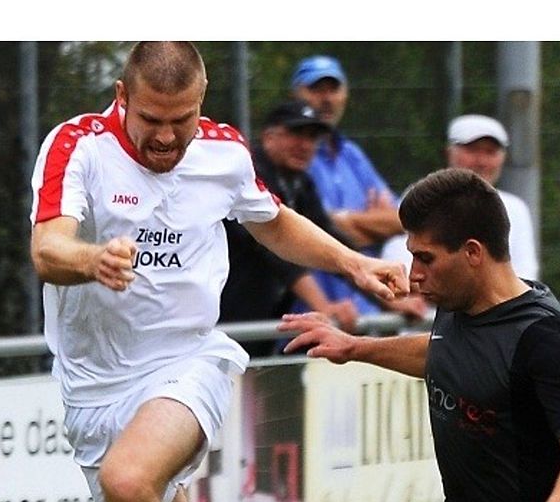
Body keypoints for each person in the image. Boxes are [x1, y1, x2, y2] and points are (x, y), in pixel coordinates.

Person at [28, 42, 408, 502]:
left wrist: (352, 264)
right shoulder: (78, 147)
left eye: (181, 120)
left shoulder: (223, 152)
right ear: (122, 97)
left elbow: (272, 220)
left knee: (129, 480)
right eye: (151, 119)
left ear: (201, 102)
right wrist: (92, 260)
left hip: (187, 362)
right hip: (93, 387)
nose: (164, 137)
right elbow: (47, 250)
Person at [279, 168, 560, 502]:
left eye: (426, 258)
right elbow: (446, 353)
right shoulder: (461, 304)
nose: (414, 274)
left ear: (473, 252)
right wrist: (355, 347)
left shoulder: (542, 336)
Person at [291, 55, 427, 320]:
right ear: (296, 93)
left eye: (333, 89)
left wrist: (344, 221)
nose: (326, 98)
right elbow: (309, 230)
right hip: (313, 316)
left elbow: (405, 220)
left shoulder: (352, 155)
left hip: (369, 314)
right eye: (316, 89)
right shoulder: (295, 157)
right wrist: (374, 226)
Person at [220, 100, 358, 357]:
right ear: (268, 136)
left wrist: (384, 287)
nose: (305, 145)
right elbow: (273, 251)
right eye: (296, 133)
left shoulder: (300, 182)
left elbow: (330, 238)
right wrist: (325, 307)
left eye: (312, 137)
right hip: (225, 326)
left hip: (261, 327)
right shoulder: (248, 175)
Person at [446, 114, 539, 280]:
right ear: (450, 153)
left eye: (490, 152)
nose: (482, 161)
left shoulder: (516, 209)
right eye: (472, 150)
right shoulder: (422, 200)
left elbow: (525, 274)